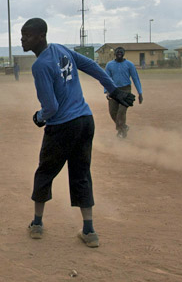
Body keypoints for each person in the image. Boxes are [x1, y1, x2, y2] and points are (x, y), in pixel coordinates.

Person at [21, 18, 135, 248]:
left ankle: (37, 224)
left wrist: (39, 117)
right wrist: (113, 90)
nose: (23, 39)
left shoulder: (40, 65)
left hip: (63, 126)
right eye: (22, 35)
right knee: (81, 174)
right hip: (85, 121)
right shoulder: (62, 49)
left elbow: (51, 107)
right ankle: (89, 231)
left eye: (28, 35)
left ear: (41, 36)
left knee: (45, 172)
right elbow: (91, 66)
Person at [103, 47, 143, 138]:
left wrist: (140, 93)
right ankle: (123, 127)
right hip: (113, 90)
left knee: (121, 112)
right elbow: (106, 79)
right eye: (118, 52)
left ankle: (121, 132)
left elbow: (135, 78)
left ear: (124, 54)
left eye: (121, 52)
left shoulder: (129, 64)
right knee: (113, 112)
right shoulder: (109, 65)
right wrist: (107, 91)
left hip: (125, 90)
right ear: (115, 54)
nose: (119, 53)